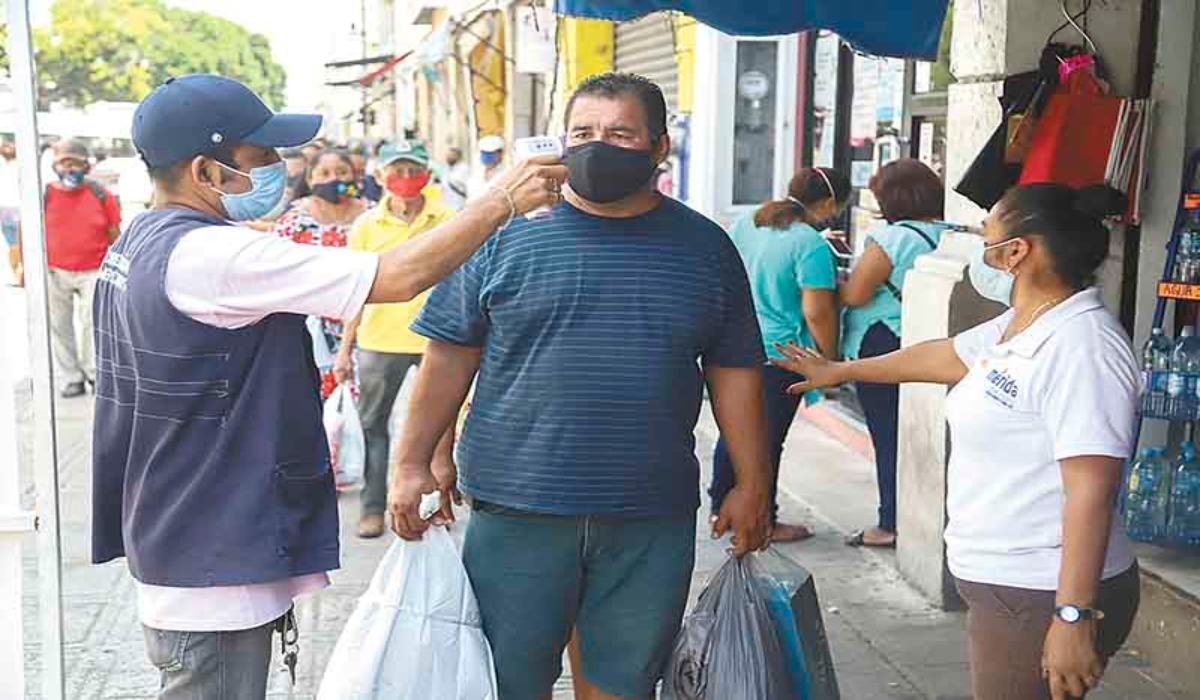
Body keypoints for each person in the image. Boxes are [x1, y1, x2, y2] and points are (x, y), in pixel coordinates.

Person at [90, 74, 565, 700]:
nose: (278, 170)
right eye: (262, 157)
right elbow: (398, 274)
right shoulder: (214, 258)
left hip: (180, 519)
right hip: (213, 544)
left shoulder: (141, 242)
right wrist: (503, 197)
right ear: (206, 171)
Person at [393, 72, 772, 700]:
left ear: (658, 148)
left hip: (648, 511)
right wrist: (412, 462)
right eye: (583, 133)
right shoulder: (499, 236)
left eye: (620, 133)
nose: (598, 146)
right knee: (509, 683)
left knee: (622, 685)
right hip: (518, 508)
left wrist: (753, 482)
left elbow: (733, 370)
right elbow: (449, 355)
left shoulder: (707, 248)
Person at [775, 184, 1140, 700]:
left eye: (984, 234)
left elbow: (1091, 492)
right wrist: (841, 368)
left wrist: (1073, 615)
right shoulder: (1026, 323)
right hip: (1007, 585)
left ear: (1017, 251)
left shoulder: (1084, 347)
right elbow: (945, 355)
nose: (975, 246)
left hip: (1039, 588)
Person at [711, 167, 851, 543]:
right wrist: (829, 359)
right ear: (827, 204)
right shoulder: (811, 245)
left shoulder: (748, 222)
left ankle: (720, 504)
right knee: (767, 440)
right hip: (783, 354)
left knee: (736, 429)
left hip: (735, 344)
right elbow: (817, 311)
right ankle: (762, 521)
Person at [332, 138, 457, 539]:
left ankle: (437, 503)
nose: (405, 179)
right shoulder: (367, 225)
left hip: (437, 339)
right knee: (374, 426)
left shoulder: (448, 217)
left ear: (426, 174)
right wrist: (345, 349)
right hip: (379, 340)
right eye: (397, 171)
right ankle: (373, 507)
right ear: (381, 176)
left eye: (412, 170)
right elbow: (356, 289)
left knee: (439, 429)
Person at [839, 158, 950, 548]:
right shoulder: (951, 234)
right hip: (933, 344)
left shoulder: (892, 238)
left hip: (884, 342)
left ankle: (890, 523)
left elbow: (855, 294)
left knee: (888, 436)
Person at [271, 149, 369, 399]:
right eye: (324, 173)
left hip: (366, 329)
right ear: (310, 180)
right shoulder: (294, 221)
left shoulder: (372, 217)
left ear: (354, 176)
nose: (333, 179)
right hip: (310, 331)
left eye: (341, 172)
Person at [44, 139, 121, 398]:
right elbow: (27, 231)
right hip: (55, 270)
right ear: (56, 165)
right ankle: (72, 378)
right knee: (59, 325)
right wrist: (23, 266)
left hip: (93, 269)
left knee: (92, 323)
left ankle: (94, 373)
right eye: (65, 163)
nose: (70, 169)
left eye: (76, 163)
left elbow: (114, 233)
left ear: (85, 166)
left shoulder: (101, 195)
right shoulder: (43, 195)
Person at [0, 140, 21, 286]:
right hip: (10, 210)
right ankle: (18, 275)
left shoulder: (21, 166)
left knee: (15, 245)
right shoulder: (22, 166)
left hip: (12, 209)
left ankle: (18, 275)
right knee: (15, 245)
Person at [467, 134, 505, 201]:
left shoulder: (506, 173)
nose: (487, 156)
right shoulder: (476, 172)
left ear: (501, 154)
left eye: (491, 153)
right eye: (484, 153)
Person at [438, 145, 470, 210]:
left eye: (451, 155)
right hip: (446, 206)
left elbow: (467, 187)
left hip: (459, 206)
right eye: (447, 155)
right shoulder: (445, 168)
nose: (448, 157)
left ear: (458, 156)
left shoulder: (464, 169)